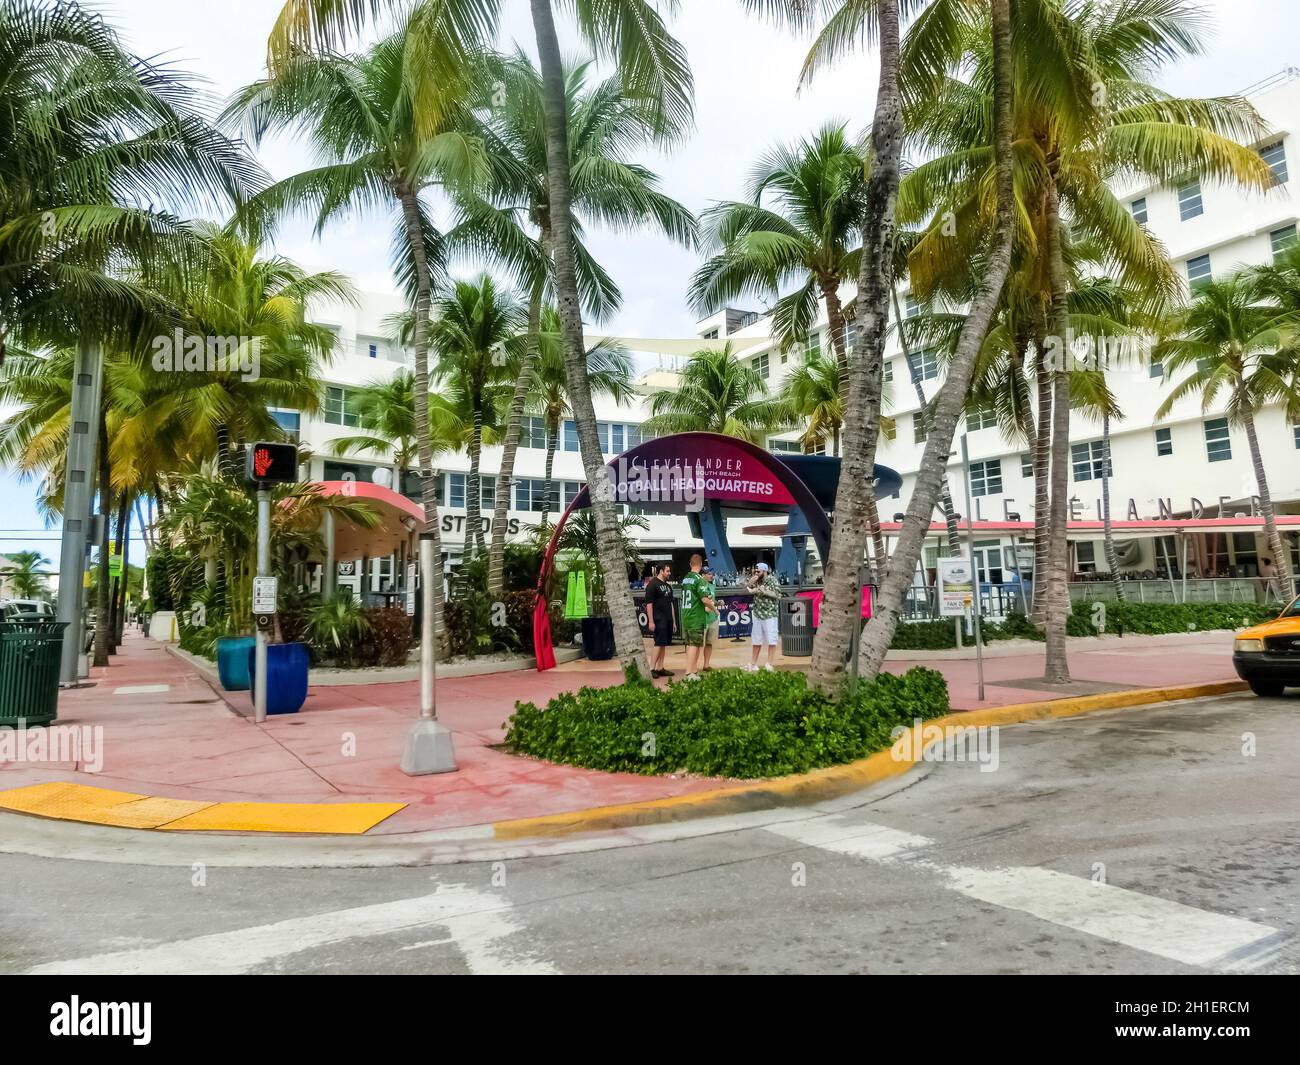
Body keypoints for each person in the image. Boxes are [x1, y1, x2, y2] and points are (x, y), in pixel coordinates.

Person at [679, 553, 710, 678]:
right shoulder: (699, 579)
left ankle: (693, 670)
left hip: (686, 615)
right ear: (701, 565)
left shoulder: (686, 578)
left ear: (690, 564)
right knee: (694, 644)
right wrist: (714, 609)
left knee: (690, 644)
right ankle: (689, 671)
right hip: (696, 616)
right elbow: (705, 600)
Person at [643, 562, 675, 678]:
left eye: (669, 571)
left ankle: (660, 667)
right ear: (661, 571)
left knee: (664, 643)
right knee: (658, 643)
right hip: (658, 618)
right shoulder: (652, 584)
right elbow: (649, 604)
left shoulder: (668, 586)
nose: (669, 573)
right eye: (667, 571)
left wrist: (674, 621)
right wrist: (651, 621)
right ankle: (652, 668)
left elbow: (671, 604)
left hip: (668, 619)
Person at [747, 562, 781, 672]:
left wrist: (764, 591)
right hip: (757, 613)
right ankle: (753, 663)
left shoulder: (772, 580)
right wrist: (749, 584)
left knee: (772, 639)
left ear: (765, 571)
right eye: (755, 571)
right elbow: (746, 590)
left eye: (758, 571)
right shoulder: (755, 580)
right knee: (756, 639)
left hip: (770, 614)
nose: (756, 573)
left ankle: (769, 663)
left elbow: (777, 595)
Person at [700, 562, 719, 671]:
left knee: (709, 643)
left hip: (713, 619)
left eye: (711, 573)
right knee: (698, 645)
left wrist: (717, 603)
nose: (711, 575)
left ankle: (706, 665)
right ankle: (693, 666)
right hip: (703, 619)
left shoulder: (712, 586)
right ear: (703, 575)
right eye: (708, 573)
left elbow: (712, 601)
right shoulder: (699, 586)